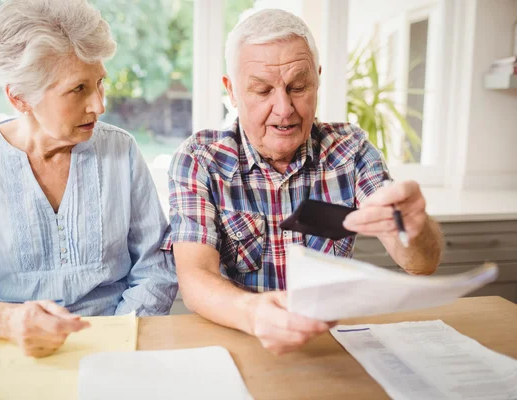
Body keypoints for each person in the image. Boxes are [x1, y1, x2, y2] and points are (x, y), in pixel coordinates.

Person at [162, 9, 443, 355]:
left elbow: (421, 263)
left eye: (298, 87)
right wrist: (253, 313)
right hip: (242, 340)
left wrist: (413, 228)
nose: (284, 109)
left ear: (317, 80)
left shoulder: (350, 150)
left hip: (331, 346)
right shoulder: (199, 159)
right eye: (262, 90)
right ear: (231, 91)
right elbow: (194, 277)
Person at [0, 0, 177, 357]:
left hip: (117, 344)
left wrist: (115, 342)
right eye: (78, 89)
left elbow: (155, 269)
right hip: (6, 348)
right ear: (20, 97)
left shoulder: (122, 151)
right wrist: (7, 322)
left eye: (99, 83)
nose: (99, 105)